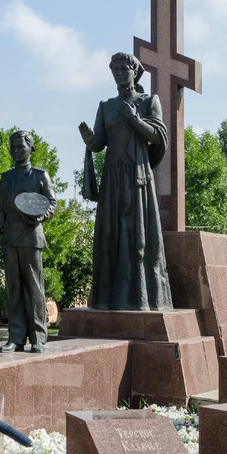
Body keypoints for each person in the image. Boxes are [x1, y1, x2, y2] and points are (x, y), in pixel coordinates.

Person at [78, 52, 173, 311]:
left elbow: (158, 136)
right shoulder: (105, 106)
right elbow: (99, 143)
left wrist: (134, 120)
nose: (119, 73)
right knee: (110, 234)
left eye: (123, 68)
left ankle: (142, 296)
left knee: (137, 236)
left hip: (137, 176)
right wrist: (89, 139)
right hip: (112, 178)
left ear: (134, 71)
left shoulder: (148, 101)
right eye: (115, 70)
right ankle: (108, 298)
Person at [0, 130, 57, 352]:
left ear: (30, 148)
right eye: (13, 147)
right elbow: (1, 209)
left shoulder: (40, 175)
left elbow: (52, 203)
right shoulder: (6, 178)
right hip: (10, 237)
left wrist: (41, 216)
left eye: (21, 146)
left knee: (34, 288)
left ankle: (38, 338)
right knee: (14, 288)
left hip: (31, 237)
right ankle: (16, 337)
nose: (16, 150)